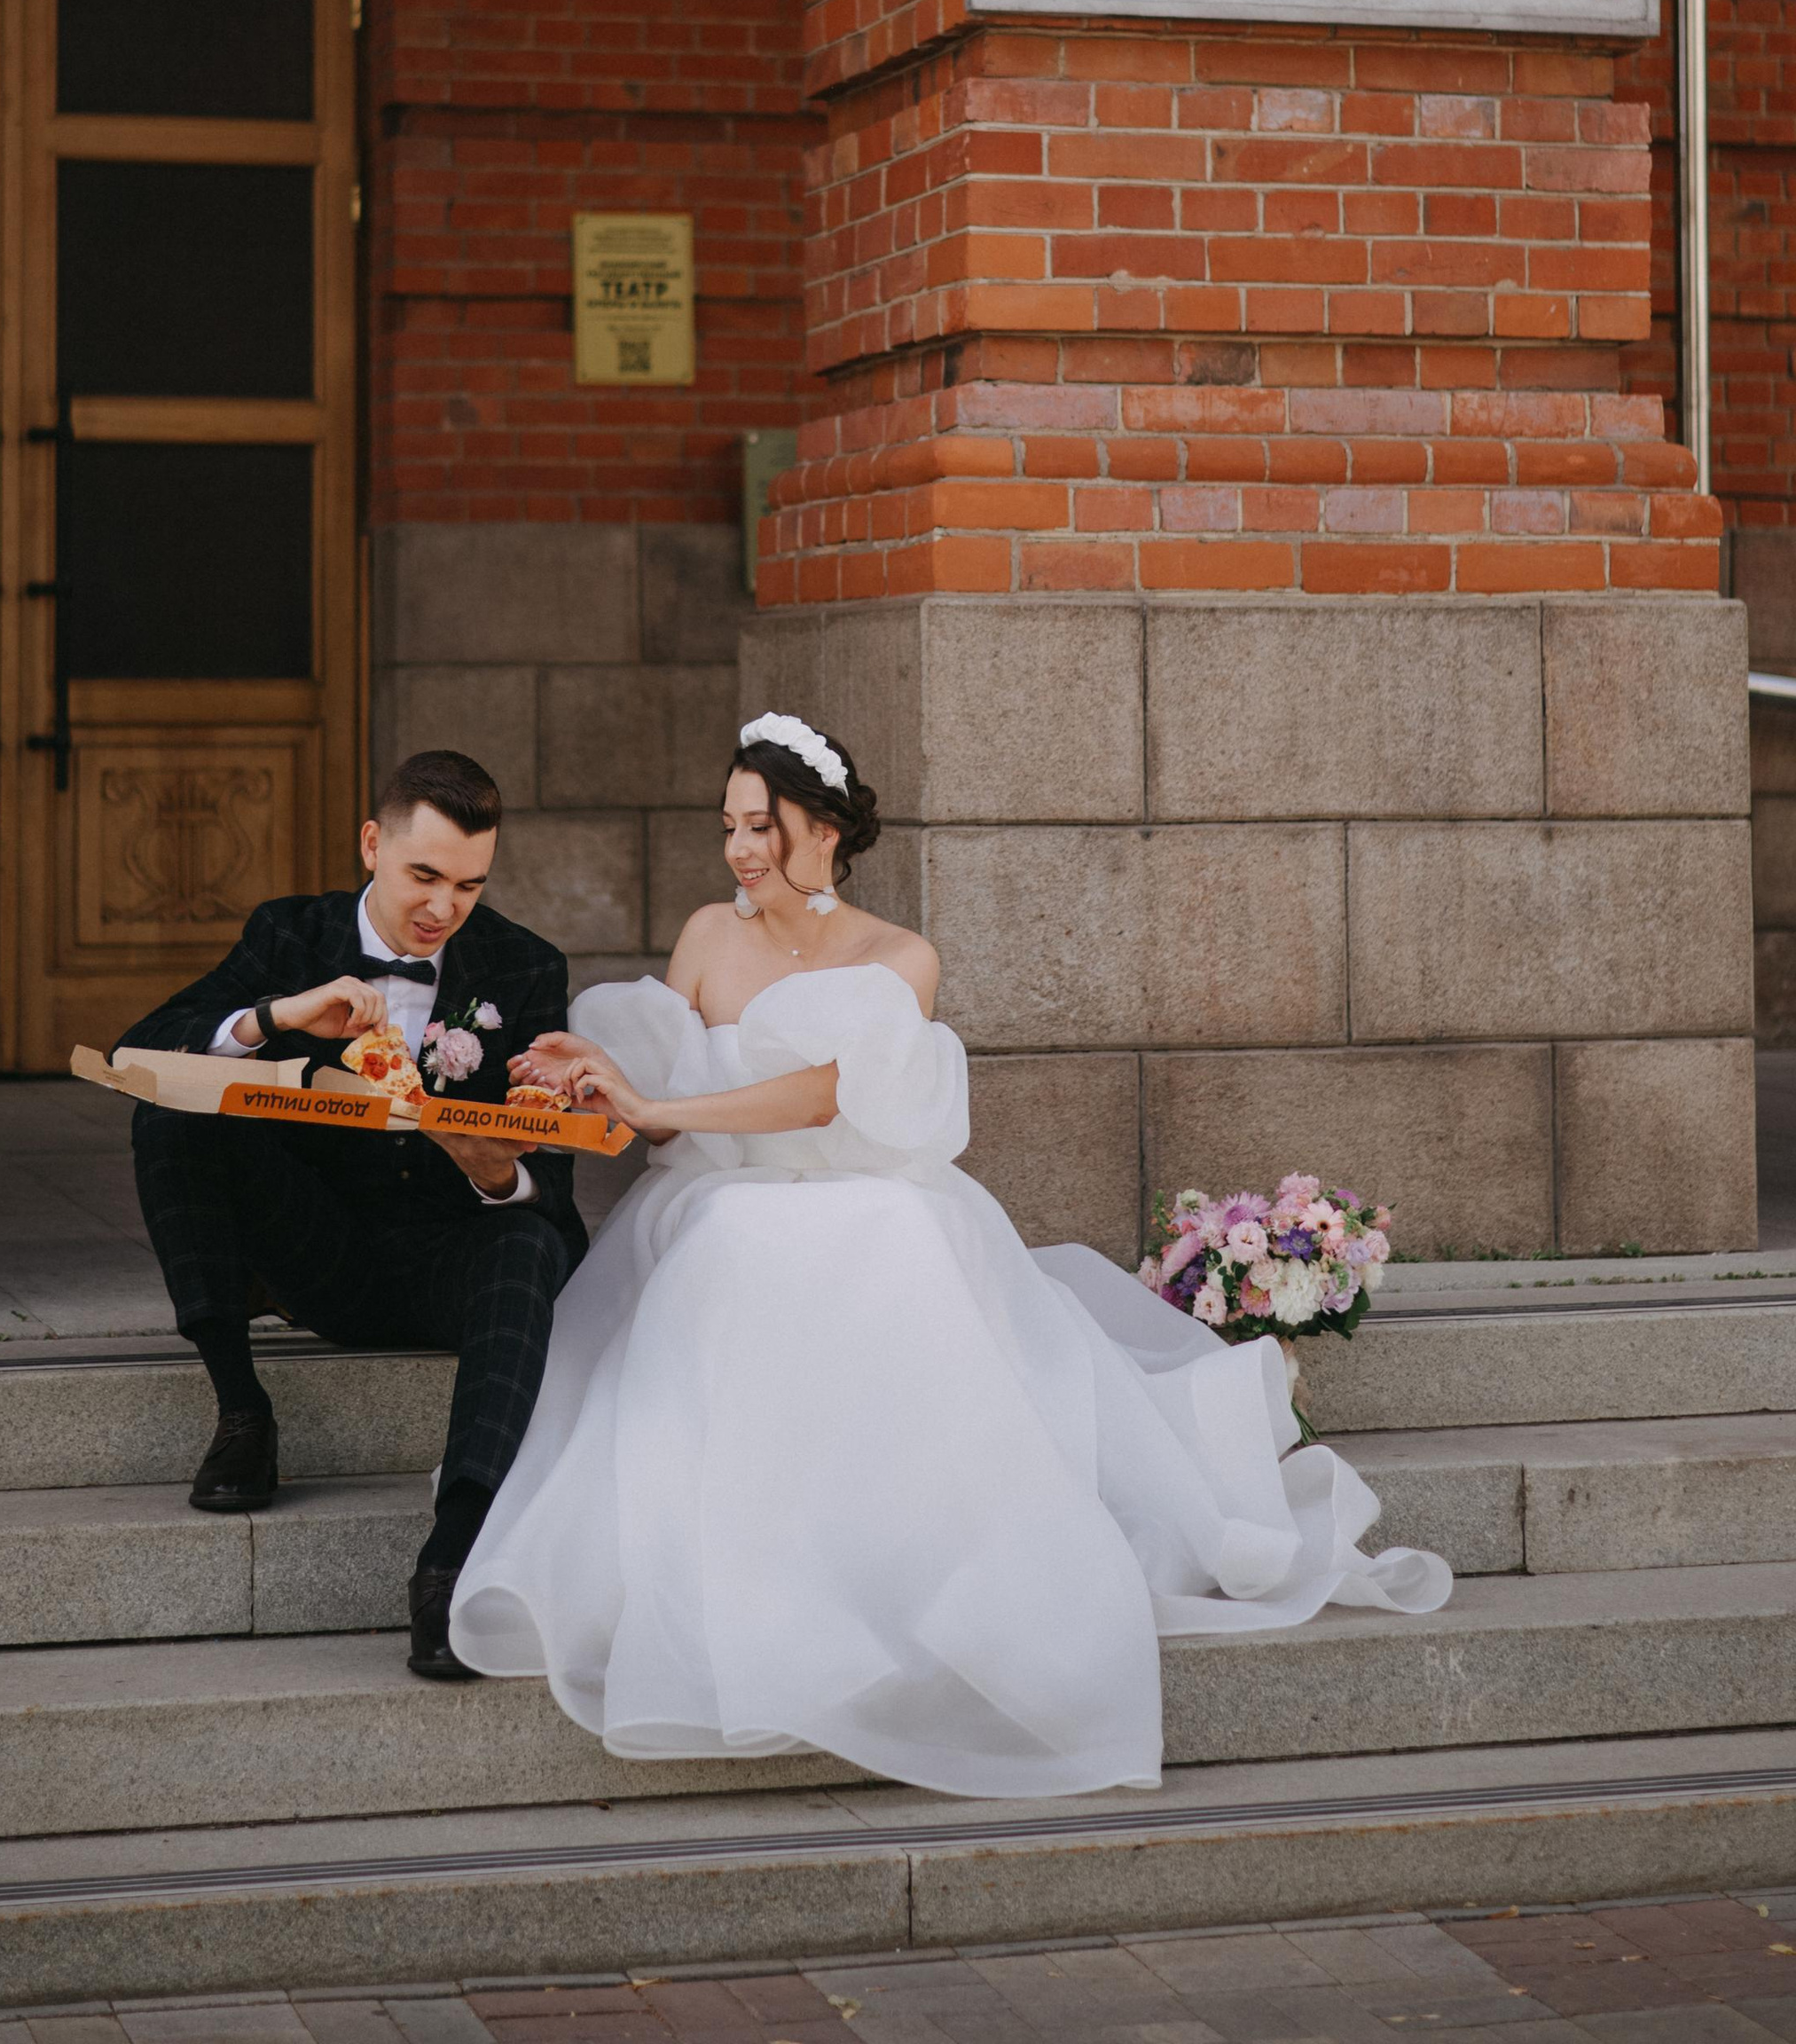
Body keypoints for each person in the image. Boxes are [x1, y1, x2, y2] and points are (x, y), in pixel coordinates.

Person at [451, 710, 1452, 1800]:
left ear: (824, 827)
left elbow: (830, 1088)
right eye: (730, 825)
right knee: (736, 1233)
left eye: (763, 825)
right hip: (720, 1198)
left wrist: (664, 1096)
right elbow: (659, 1125)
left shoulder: (898, 955)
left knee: (892, 1231)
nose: (741, 849)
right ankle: (769, 1598)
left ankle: (920, 1582)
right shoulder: (705, 935)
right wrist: (602, 1073)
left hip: (864, 1189)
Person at [119, 746, 587, 1680]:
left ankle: (453, 1556)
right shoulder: (290, 933)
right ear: (372, 843)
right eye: (423, 873)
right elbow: (146, 1047)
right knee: (172, 1114)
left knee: (528, 1241)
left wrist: (495, 1171)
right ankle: (243, 1408)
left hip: (451, 1258)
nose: (443, 906)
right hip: (319, 1252)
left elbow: (558, 1195)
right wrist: (275, 1016)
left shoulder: (524, 963)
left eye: (467, 883)